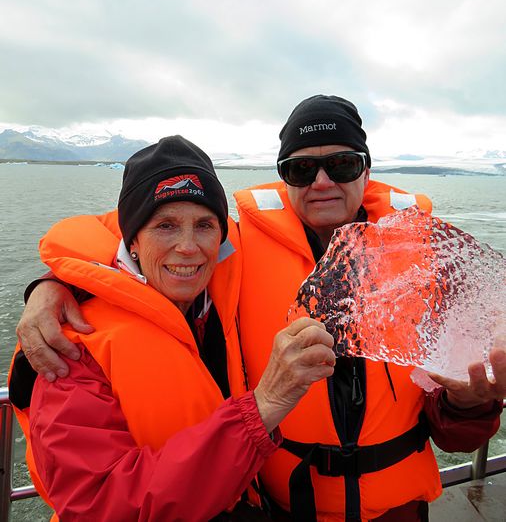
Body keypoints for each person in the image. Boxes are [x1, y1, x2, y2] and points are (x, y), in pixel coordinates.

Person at [15, 97, 505, 521]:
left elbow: (454, 429)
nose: (321, 181)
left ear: (367, 169)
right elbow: (122, 237)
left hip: (398, 508)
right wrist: (55, 283)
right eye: (299, 168)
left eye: (342, 164)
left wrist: (470, 406)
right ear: (282, 177)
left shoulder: (426, 256)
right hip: (286, 505)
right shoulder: (236, 247)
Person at [9, 135, 336, 521]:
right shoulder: (71, 346)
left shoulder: (219, 297)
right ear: (131, 240)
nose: (187, 246)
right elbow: (99, 505)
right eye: (165, 225)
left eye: (204, 225)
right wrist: (263, 407)